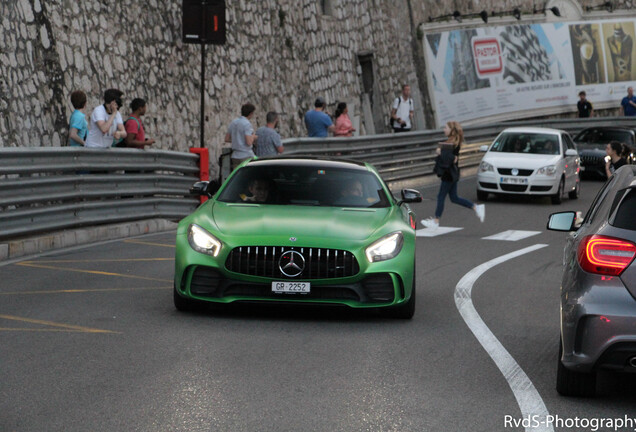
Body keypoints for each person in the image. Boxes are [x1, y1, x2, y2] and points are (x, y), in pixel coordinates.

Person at [421, 121, 485, 229]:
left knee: (441, 196)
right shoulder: (450, 143)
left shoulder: (453, 145)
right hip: (451, 174)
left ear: (451, 130)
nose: (444, 130)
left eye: (445, 128)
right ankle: (476, 208)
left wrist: (440, 152)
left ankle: (436, 221)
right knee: (454, 198)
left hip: (449, 174)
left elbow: (452, 159)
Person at [225, 103, 258, 170]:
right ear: (251, 113)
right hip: (246, 155)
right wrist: (253, 137)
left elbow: (227, 139)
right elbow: (249, 142)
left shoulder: (233, 122)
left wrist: (237, 139)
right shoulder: (247, 124)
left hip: (235, 156)